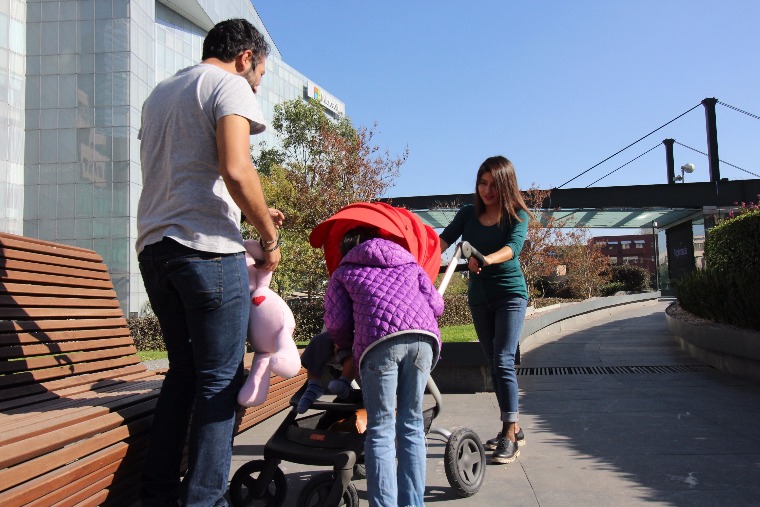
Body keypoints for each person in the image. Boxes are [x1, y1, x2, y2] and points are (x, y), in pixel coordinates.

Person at [136, 19, 282, 506]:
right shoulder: (228, 85)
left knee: (183, 373)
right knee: (221, 380)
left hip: (156, 250)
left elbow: (190, 178)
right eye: (259, 75)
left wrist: (251, 212)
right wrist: (268, 234)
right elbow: (237, 169)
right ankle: (203, 500)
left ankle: (157, 495)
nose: (256, 85)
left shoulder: (160, 93)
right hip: (205, 254)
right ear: (246, 57)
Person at [324, 226, 444, 507]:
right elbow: (436, 306)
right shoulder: (409, 262)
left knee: (380, 429)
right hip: (423, 341)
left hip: (378, 345)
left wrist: (343, 349)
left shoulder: (344, 272)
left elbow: (338, 324)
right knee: (412, 423)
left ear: (347, 248)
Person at [439, 155, 532, 465]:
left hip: (510, 295)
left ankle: (508, 433)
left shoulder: (516, 214)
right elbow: (443, 241)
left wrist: (487, 258)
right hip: (479, 297)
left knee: (503, 359)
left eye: (494, 184)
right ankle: (514, 427)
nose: (487, 190)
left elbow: (514, 248)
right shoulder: (467, 214)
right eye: (483, 183)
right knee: (493, 363)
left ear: (506, 186)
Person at [296, 330, 356, 414]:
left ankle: (344, 383)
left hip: (362, 337)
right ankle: (313, 387)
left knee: (354, 342)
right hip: (338, 334)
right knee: (318, 340)